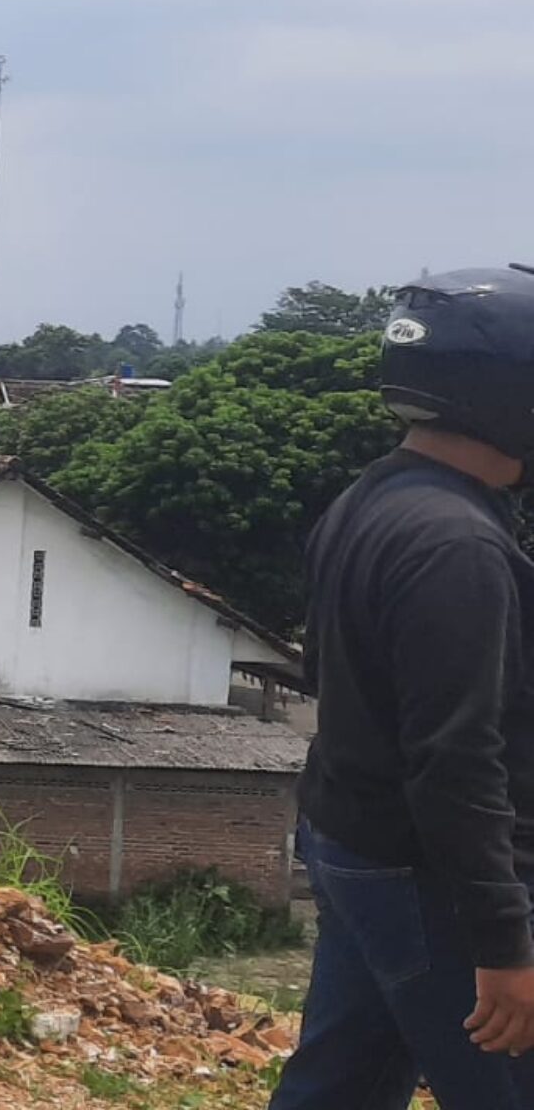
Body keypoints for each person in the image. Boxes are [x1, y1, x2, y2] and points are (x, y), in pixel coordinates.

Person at [273, 266, 534, 1107]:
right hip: (432, 880)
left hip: (356, 844)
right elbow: (456, 760)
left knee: (339, 1088)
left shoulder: (375, 499)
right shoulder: (458, 546)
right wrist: (505, 945)